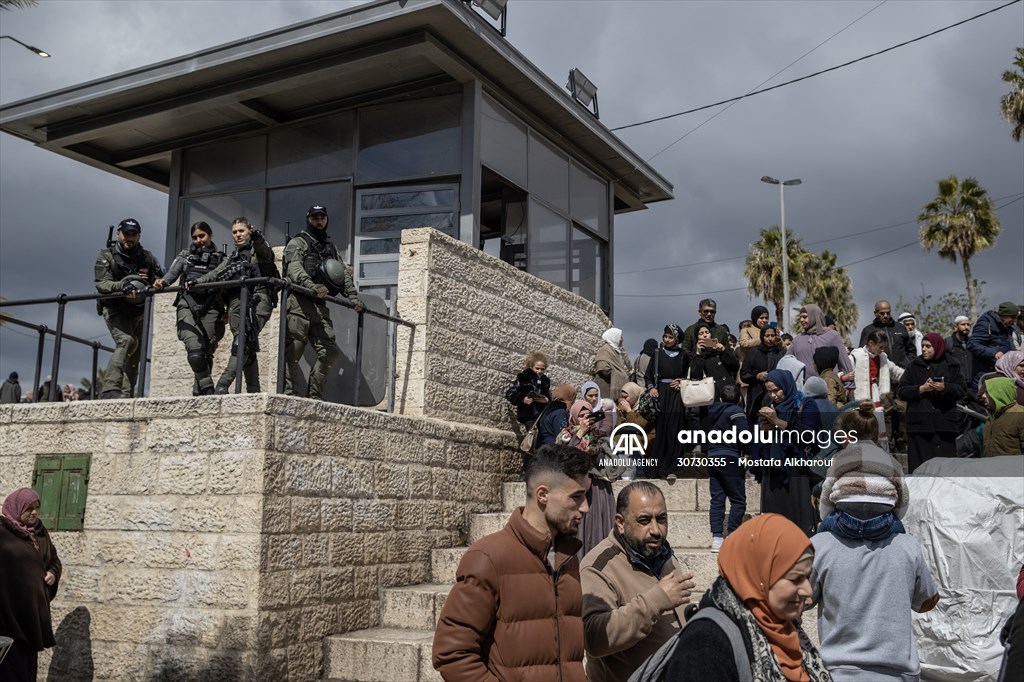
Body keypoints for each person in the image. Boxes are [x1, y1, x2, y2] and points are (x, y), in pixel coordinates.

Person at [432, 444, 591, 681]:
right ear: (543, 495)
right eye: (576, 497)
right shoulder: (488, 558)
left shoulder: (567, 556)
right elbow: (452, 653)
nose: (585, 507)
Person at [811, 442, 939, 681]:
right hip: (899, 673)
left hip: (839, 672)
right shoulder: (907, 547)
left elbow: (800, 600)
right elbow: (926, 602)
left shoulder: (820, 546)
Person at [666, 514, 829, 682]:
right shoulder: (705, 645)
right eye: (796, 579)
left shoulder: (785, 629)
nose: (808, 592)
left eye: (807, 577)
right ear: (759, 575)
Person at [581, 482, 696, 682]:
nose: (656, 530)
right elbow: (594, 638)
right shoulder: (598, 567)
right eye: (644, 520)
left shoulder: (663, 553)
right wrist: (655, 601)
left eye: (661, 519)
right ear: (620, 522)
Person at [283, 205, 363, 400]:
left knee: (329, 352)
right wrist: (311, 285)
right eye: (314, 218)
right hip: (299, 303)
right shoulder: (298, 242)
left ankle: (315, 396)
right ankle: (291, 394)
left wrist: (353, 297)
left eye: (322, 218)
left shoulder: (330, 247)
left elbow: (342, 274)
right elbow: (294, 269)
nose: (319, 221)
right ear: (308, 219)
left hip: (320, 306)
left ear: (326, 219)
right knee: (293, 351)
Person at [194, 218, 276, 393]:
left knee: (243, 341)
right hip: (237, 303)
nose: (238, 235)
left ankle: (223, 385)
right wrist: (197, 281)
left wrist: (257, 237)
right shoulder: (233, 256)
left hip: (258, 299)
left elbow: (265, 250)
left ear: (249, 231)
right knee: (247, 345)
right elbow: (216, 274)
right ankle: (254, 390)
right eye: (235, 232)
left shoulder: (258, 249)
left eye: (242, 231)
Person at [153, 221, 227, 395]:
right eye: (195, 237)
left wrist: (228, 311)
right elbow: (172, 273)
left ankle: (198, 394)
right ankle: (208, 388)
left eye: (202, 236)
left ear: (210, 235)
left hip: (211, 306)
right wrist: (162, 282)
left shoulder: (221, 258)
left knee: (206, 354)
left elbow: (228, 287)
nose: (198, 240)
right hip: (187, 303)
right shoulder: (186, 255)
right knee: (194, 350)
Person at [94, 218, 162, 399]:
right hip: (115, 307)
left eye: (133, 234)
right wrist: (122, 287)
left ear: (139, 236)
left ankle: (126, 393)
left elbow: (159, 277)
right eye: (126, 234)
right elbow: (101, 283)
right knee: (127, 341)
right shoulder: (106, 256)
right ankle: (110, 389)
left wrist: (157, 283)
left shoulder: (147, 258)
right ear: (118, 234)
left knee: (136, 354)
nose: (129, 238)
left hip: (139, 310)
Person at [0, 488, 62, 682]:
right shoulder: (2, 533)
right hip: (7, 615)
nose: (34, 512)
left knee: (28, 670)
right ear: (17, 508)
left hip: (32, 616)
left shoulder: (41, 534)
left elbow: (53, 559)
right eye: (29, 508)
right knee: (9, 669)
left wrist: (53, 572)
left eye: (37, 507)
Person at [755, 369, 820, 537]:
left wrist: (777, 421)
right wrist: (763, 429)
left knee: (800, 523)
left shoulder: (805, 405)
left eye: (777, 390)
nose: (773, 395)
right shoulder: (769, 408)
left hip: (797, 471)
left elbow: (808, 436)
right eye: (769, 391)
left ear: (787, 386)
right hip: (774, 472)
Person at [896, 333, 966, 471]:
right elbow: (902, 391)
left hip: (944, 426)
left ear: (937, 347)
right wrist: (921, 389)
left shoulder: (952, 365)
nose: (924, 349)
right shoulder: (914, 365)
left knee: (945, 470)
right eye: (922, 346)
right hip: (920, 427)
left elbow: (961, 390)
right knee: (920, 469)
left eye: (928, 346)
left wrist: (944, 388)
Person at [557, 400, 614, 558]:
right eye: (581, 416)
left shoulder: (598, 434)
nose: (584, 419)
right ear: (574, 417)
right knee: (581, 529)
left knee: (599, 528)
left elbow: (604, 460)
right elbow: (563, 457)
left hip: (597, 486)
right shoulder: (565, 434)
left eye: (588, 415)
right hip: (575, 488)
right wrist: (580, 434)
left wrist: (596, 450)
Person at [707, 384, 749, 553]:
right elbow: (744, 435)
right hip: (730, 457)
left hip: (713, 457)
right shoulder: (736, 411)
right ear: (739, 399)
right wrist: (747, 454)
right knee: (738, 500)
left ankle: (717, 539)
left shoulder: (710, 411)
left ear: (721, 398)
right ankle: (731, 537)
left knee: (717, 499)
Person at [645, 325, 691, 480]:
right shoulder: (657, 353)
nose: (667, 339)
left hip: (676, 396)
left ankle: (672, 469)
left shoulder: (684, 355)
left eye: (670, 337)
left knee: (675, 430)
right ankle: (655, 470)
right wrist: (651, 388)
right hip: (661, 395)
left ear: (676, 339)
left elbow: (688, 375)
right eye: (665, 336)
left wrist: (681, 382)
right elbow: (648, 376)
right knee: (661, 432)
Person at [786, 304, 852, 380]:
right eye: (800, 317)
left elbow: (845, 363)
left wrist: (848, 385)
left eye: (804, 317)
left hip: (829, 387)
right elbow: (786, 360)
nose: (801, 320)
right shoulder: (797, 339)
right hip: (804, 388)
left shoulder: (832, 336)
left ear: (814, 316)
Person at [967, 301, 1019, 390]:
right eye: (1013, 317)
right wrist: (994, 353)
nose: (1014, 321)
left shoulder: (1009, 327)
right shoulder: (986, 323)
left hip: (1003, 374)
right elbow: (972, 344)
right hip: (986, 375)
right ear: (1005, 315)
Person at [741, 324, 784, 426]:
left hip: (775, 394)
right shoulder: (753, 352)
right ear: (762, 336)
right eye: (767, 336)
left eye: (772, 336)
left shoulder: (779, 353)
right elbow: (744, 374)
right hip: (757, 392)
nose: (770, 339)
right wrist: (756, 376)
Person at [689, 322, 740, 401]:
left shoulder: (719, 349)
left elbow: (735, 366)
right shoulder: (695, 355)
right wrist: (698, 353)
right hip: (712, 394)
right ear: (697, 337)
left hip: (730, 391)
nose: (705, 335)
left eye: (707, 332)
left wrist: (723, 351)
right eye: (701, 333)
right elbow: (695, 376)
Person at [858, 300, 915, 369]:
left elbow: (911, 349)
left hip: (902, 371)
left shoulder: (900, 328)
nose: (885, 315)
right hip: (880, 372)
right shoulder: (868, 330)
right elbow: (863, 353)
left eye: (888, 313)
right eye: (882, 313)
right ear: (875, 313)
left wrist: (908, 363)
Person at [505, 351, 551, 425]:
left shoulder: (545, 381)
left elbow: (549, 396)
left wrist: (547, 400)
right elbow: (510, 393)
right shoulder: (524, 377)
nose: (539, 371)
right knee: (531, 432)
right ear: (531, 367)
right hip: (528, 415)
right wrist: (522, 399)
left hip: (541, 416)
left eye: (542, 369)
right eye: (537, 368)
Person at [982, 376, 1024, 456]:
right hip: (990, 467)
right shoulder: (992, 416)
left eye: (987, 392)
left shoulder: (1020, 415)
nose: (983, 396)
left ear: (1000, 393)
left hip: (1013, 467)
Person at [593, 327, 632, 403]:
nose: (622, 340)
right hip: (606, 388)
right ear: (614, 337)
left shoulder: (616, 351)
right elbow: (603, 368)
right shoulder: (605, 350)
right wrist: (619, 374)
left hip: (612, 388)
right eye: (620, 337)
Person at [537, 384, 575, 448]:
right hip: (552, 450)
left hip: (543, 447)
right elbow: (562, 436)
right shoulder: (560, 412)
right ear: (569, 396)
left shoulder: (549, 407)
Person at [945, 315, 974, 383]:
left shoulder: (972, 343)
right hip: (956, 383)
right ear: (956, 326)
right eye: (963, 324)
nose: (966, 327)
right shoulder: (948, 342)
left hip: (972, 384)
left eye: (968, 325)